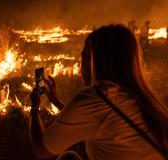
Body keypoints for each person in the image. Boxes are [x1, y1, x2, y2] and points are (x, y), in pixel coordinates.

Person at [29, 24, 168, 160]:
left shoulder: (95, 99)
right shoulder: (140, 96)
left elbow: (41, 150)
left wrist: (34, 108)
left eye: (84, 56)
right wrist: (56, 101)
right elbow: (93, 119)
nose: (80, 64)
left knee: (67, 158)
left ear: (96, 60)